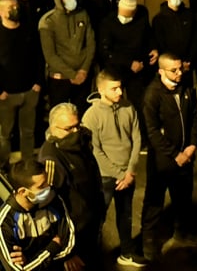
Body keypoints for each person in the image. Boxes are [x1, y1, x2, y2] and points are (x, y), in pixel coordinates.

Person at [140, 51, 197, 259]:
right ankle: (149, 240)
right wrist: (175, 154)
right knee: (154, 200)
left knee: (183, 196)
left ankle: (183, 230)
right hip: (163, 159)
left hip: (186, 154)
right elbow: (152, 131)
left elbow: (194, 116)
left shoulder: (186, 88)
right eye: (173, 70)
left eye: (180, 68)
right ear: (161, 71)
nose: (178, 73)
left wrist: (192, 145)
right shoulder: (152, 94)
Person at [81, 68, 144, 267]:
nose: (119, 92)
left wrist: (130, 171)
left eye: (120, 87)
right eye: (114, 88)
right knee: (98, 219)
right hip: (105, 177)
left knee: (125, 216)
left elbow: (137, 139)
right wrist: (120, 175)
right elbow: (95, 151)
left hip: (127, 173)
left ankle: (126, 252)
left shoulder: (128, 107)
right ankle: (91, 256)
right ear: (101, 90)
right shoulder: (91, 116)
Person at [38, 102, 106, 270]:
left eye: (77, 126)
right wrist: (66, 251)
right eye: (69, 129)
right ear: (54, 129)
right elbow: (48, 209)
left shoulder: (80, 143)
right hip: (74, 237)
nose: (75, 132)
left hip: (91, 228)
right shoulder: (51, 159)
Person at [0, 158, 83, 271]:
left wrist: (30, 261)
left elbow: (69, 240)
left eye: (47, 182)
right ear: (23, 192)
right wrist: (52, 248)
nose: (48, 187)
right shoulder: (5, 223)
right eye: (41, 186)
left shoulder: (54, 199)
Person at [0, 0, 44, 168]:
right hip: (6, 95)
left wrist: (38, 83)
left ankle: (28, 164)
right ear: (2, 12)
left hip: (29, 91)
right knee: (5, 134)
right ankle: (3, 166)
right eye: (11, 7)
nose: (15, 9)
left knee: (28, 132)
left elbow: (39, 58)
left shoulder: (29, 30)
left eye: (16, 6)